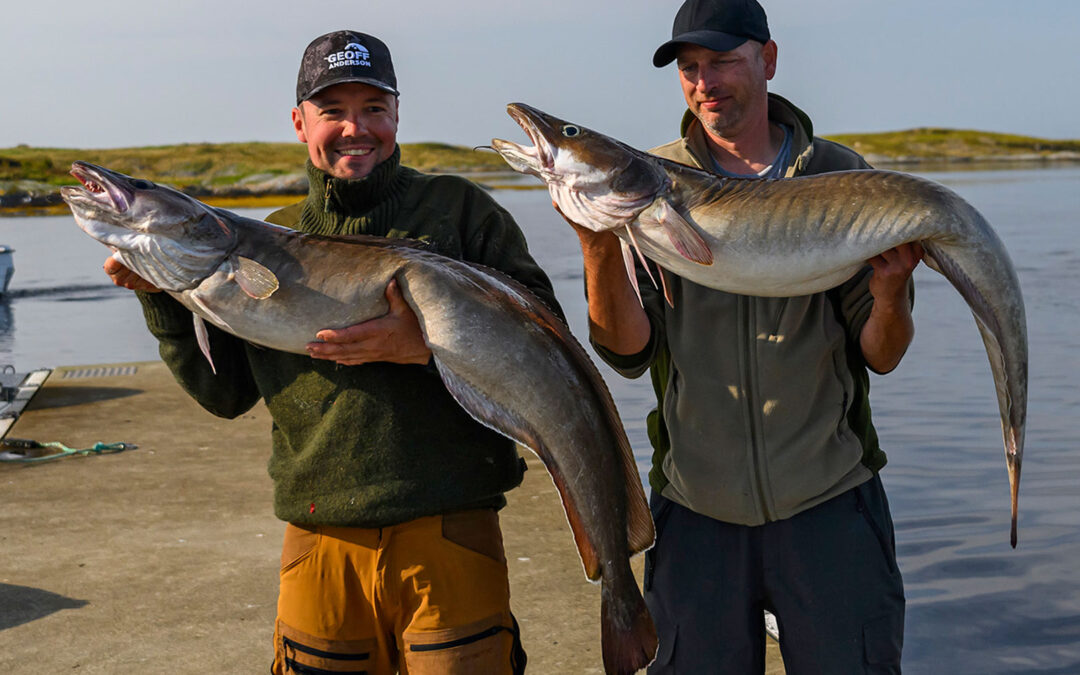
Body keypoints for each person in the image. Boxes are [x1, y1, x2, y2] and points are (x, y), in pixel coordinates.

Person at [105, 30, 560, 675]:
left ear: (397, 114)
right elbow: (225, 394)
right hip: (318, 543)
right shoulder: (265, 240)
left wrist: (426, 345)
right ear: (299, 123)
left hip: (452, 533)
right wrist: (161, 297)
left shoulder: (461, 213)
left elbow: (546, 343)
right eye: (333, 111)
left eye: (374, 108)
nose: (356, 128)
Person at [565, 1, 920, 672]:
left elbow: (884, 352)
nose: (705, 83)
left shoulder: (840, 175)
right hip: (697, 511)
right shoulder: (647, 181)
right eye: (690, 68)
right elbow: (628, 352)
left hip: (830, 504)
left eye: (723, 61)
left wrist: (891, 291)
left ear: (769, 59)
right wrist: (598, 249)